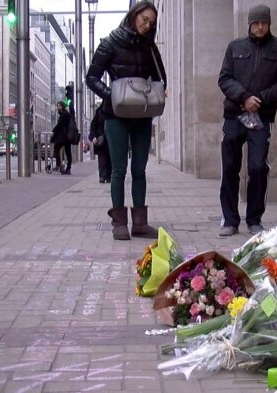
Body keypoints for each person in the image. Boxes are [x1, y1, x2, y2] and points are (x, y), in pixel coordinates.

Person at [85, 1, 167, 240]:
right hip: (116, 115)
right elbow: (91, 77)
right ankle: (119, 223)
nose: (147, 24)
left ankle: (140, 224)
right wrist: (112, 95)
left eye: (151, 22)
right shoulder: (110, 42)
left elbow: (161, 76)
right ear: (133, 16)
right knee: (118, 170)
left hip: (142, 114)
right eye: (144, 19)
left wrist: (161, 91)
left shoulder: (149, 46)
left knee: (139, 169)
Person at [217, 4, 277, 236]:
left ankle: (254, 219)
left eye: (264, 23)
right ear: (249, 24)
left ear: (269, 24)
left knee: (257, 167)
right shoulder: (234, 47)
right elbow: (224, 78)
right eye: (256, 23)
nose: (259, 27)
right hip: (234, 115)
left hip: (261, 117)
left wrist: (260, 100)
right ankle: (230, 220)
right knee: (230, 167)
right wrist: (244, 97)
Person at [88, 105, 112, 183]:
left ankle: (108, 176)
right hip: (101, 139)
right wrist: (93, 136)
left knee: (110, 158)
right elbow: (93, 125)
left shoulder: (114, 110)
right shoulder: (99, 111)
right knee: (102, 158)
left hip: (110, 138)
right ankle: (102, 176)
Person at [50, 101, 72, 175]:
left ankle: (59, 165)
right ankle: (68, 168)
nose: (58, 107)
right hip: (67, 136)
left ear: (62, 106)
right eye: (57, 106)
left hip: (63, 136)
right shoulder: (66, 114)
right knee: (68, 152)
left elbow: (60, 124)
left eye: (59, 106)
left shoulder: (64, 114)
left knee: (56, 148)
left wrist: (54, 130)